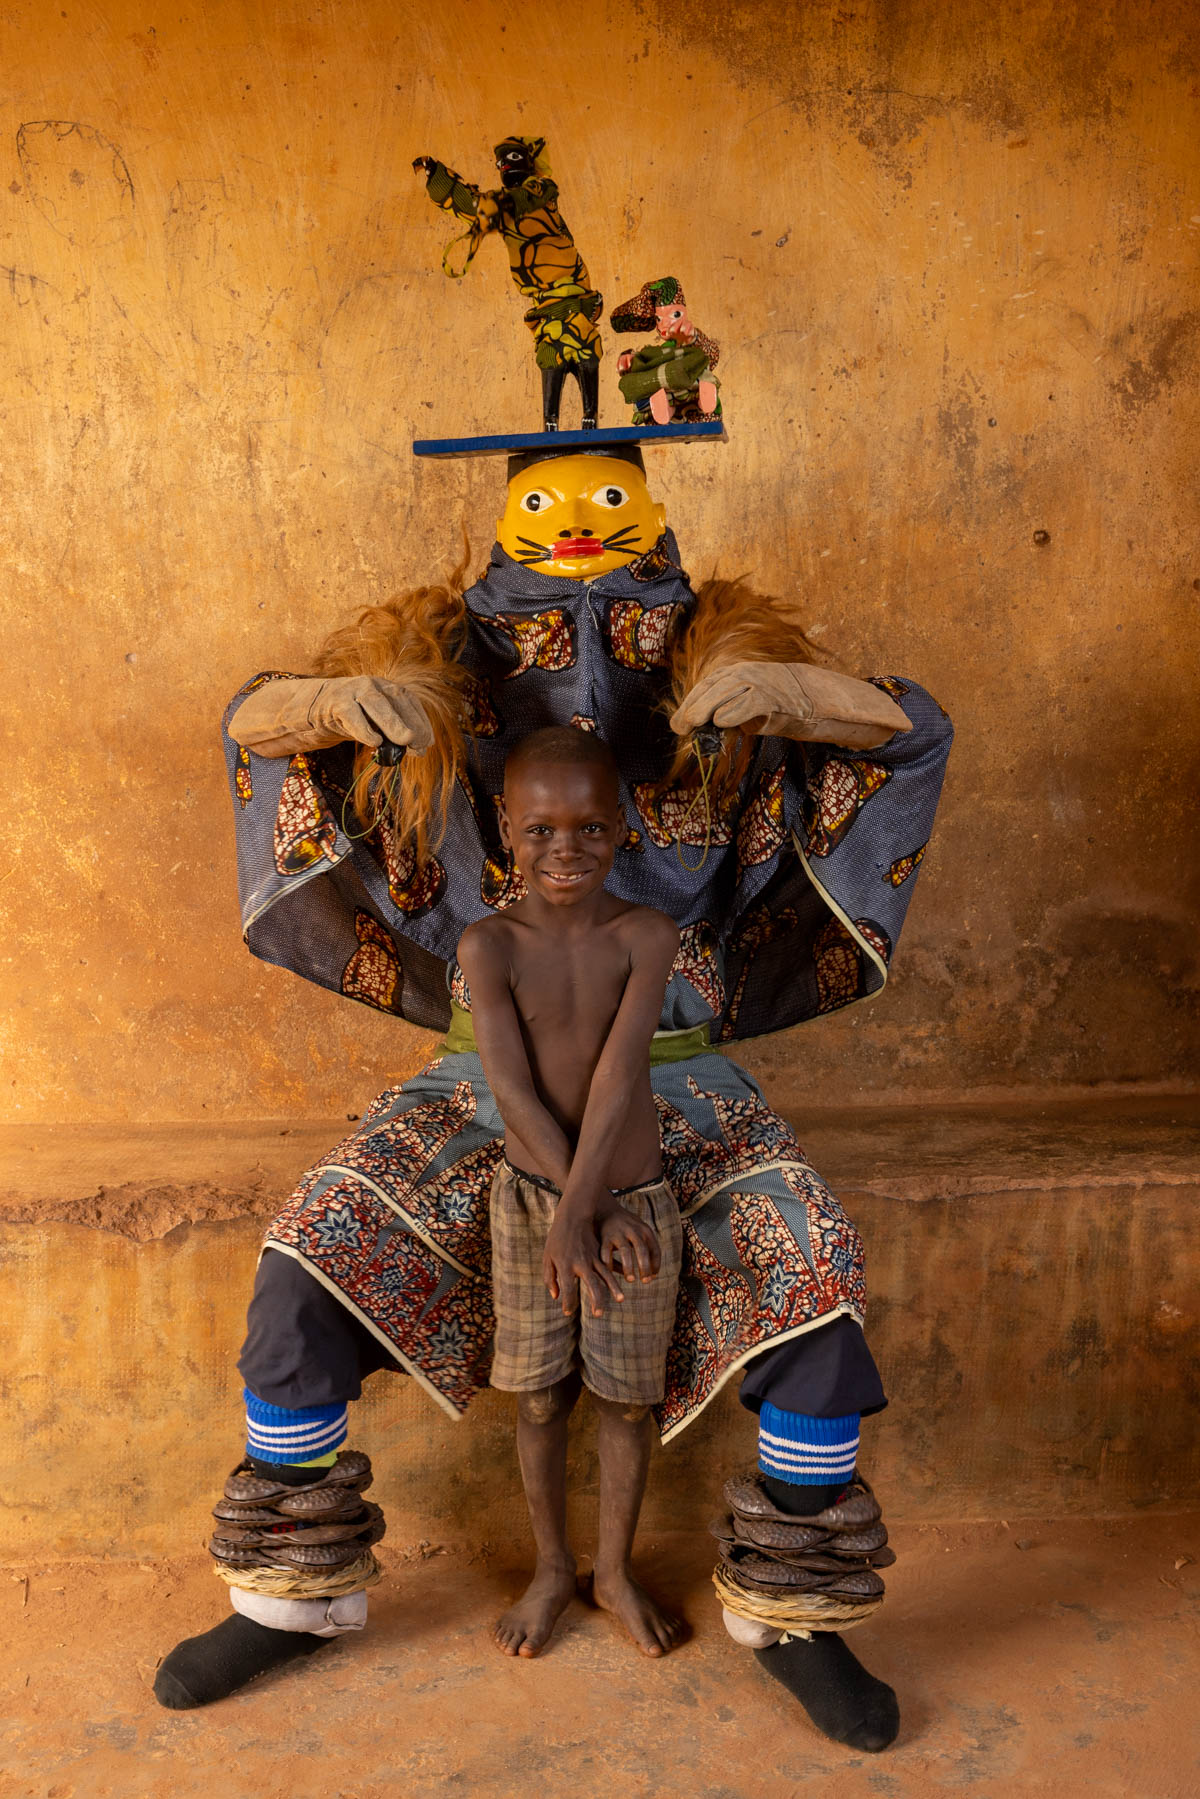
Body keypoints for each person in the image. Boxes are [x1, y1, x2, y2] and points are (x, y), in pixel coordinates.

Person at [155, 443, 952, 1756]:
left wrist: (784, 690)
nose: (578, 535)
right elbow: (253, 717)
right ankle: (290, 1595)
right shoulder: (434, 683)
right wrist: (362, 704)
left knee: (808, 1259)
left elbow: (911, 731)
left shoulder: (726, 677)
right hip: (485, 1073)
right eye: (547, 504)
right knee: (312, 1249)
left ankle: (793, 1611)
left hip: (684, 1083)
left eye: (608, 504)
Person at [458, 725, 683, 1660]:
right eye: (542, 829)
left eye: (591, 829)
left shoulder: (646, 934)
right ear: (507, 827)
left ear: (623, 826)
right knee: (542, 1396)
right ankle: (553, 1566)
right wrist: (575, 1211)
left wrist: (593, 1207)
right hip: (537, 1206)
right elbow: (508, 1086)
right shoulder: (488, 945)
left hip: (632, 1201)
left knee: (628, 1401)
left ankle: (614, 1569)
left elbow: (622, 1073)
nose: (567, 850)